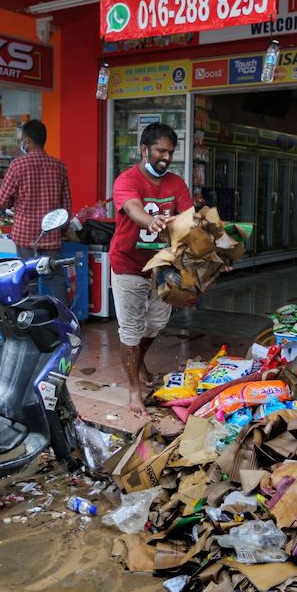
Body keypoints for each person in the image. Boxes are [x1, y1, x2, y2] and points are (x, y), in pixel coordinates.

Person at [110, 122, 193, 417]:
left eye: (170, 152)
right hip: (128, 265)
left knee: (156, 323)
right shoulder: (127, 179)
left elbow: (188, 221)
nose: (166, 157)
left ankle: (138, 361)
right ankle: (134, 391)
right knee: (130, 329)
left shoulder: (176, 184)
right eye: (160, 151)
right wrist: (149, 220)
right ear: (144, 150)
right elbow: (132, 207)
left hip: (161, 268)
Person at [0, 119, 71, 300]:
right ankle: (63, 320)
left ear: (27, 141)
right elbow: (66, 205)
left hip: (25, 235)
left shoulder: (17, 166)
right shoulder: (59, 166)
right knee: (56, 279)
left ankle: (33, 321)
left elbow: (2, 199)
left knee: (27, 279)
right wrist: (63, 229)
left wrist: (16, 201)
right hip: (51, 235)